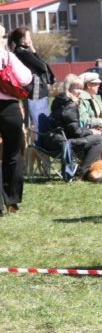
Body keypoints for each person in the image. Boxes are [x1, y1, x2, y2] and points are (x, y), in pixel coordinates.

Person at [44, 74, 102, 180]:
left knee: (94, 138)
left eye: (81, 89)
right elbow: (76, 132)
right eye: (76, 88)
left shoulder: (60, 100)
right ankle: (81, 174)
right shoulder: (70, 105)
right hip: (63, 143)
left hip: (54, 140)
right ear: (68, 88)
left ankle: (88, 171)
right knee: (99, 139)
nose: (79, 92)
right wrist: (91, 131)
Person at [0, 25, 32, 214]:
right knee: (12, 154)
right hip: (9, 109)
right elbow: (26, 78)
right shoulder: (7, 57)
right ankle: (11, 202)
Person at [9, 26, 55, 137]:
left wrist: (32, 49)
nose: (30, 38)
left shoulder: (22, 52)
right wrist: (33, 51)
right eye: (28, 36)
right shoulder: (22, 52)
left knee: (40, 120)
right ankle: (38, 147)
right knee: (39, 122)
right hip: (35, 92)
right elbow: (42, 66)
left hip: (37, 91)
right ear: (22, 39)